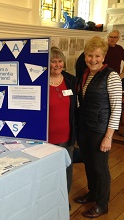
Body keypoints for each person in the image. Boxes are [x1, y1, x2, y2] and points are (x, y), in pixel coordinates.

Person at [74, 37, 122, 218]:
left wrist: (108, 136)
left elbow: (117, 108)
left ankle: (102, 204)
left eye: (97, 56)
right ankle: (92, 193)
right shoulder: (86, 74)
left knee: (101, 168)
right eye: (89, 55)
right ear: (85, 56)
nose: (92, 59)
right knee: (89, 163)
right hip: (85, 128)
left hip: (100, 130)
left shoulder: (112, 76)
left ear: (103, 57)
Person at [48, 46, 78, 210]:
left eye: (60, 61)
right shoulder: (39, 81)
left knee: (66, 171)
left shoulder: (71, 80)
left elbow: (75, 109)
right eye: (53, 61)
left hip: (66, 137)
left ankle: (62, 200)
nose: (57, 65)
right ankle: (48, 201)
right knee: (48, 172)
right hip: (46, 139)